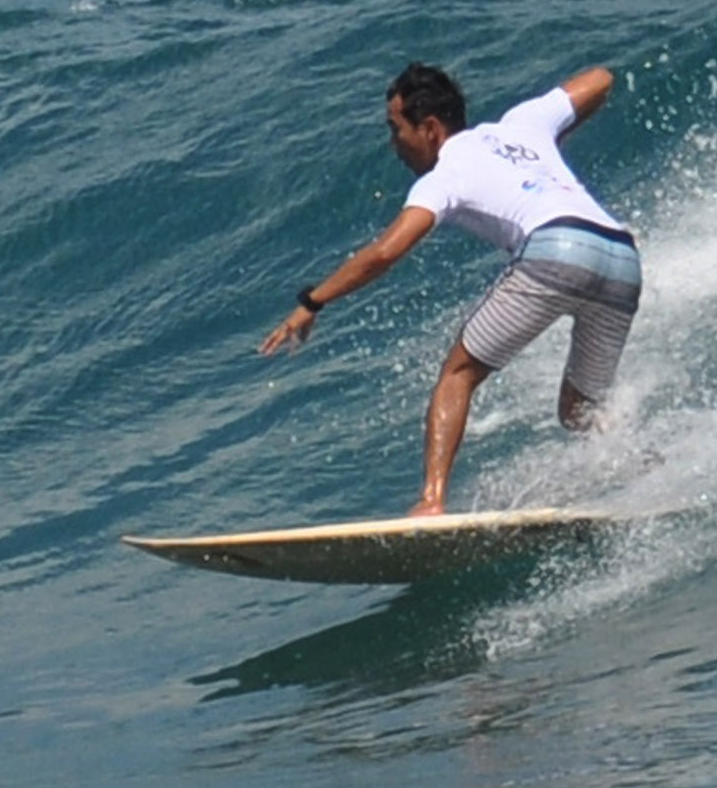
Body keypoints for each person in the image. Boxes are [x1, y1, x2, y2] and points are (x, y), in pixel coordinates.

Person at [262, 61, 640, 517]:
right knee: (579, 409)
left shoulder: (445, 174)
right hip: (621, 258)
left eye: (396, 129)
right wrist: (550, 142)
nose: (393, 144)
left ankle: (431, 500)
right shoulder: (523, 124)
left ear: (431, 128)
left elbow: (384, 253)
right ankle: (645, 467)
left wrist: (312, 301)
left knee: (457, 376)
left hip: (555, 250)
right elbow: (601, 78)